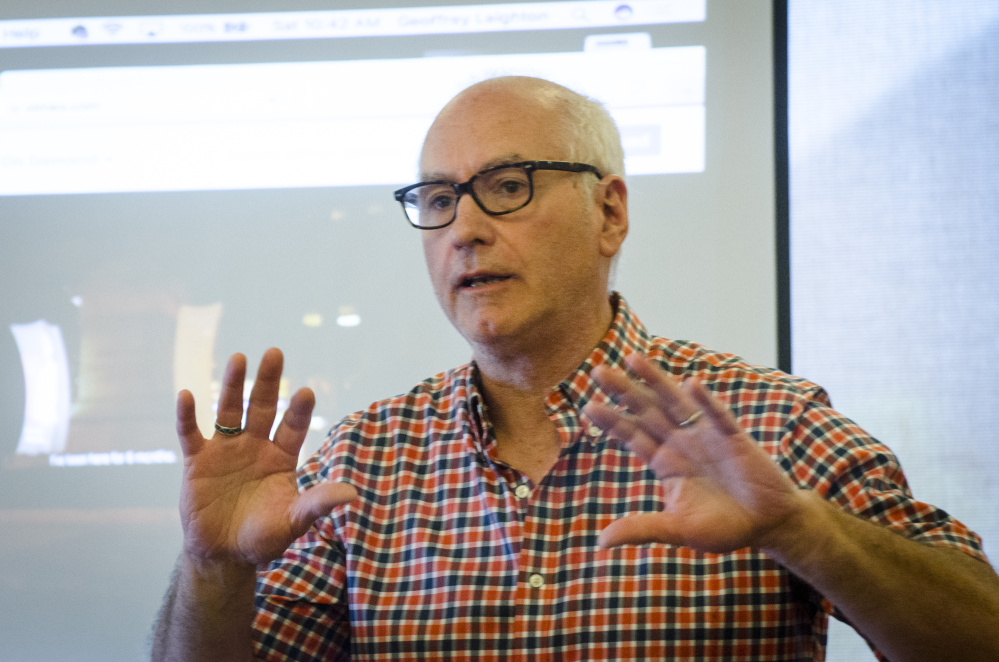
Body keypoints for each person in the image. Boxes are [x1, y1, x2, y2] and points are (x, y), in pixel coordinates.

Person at [151, 76, 999, 661]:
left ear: (610, 212)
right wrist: (212, 568)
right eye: (439, 199)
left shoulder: (766, 426)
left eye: (508, 185)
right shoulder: (361, 460)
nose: (465, 228)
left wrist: (802, 532)